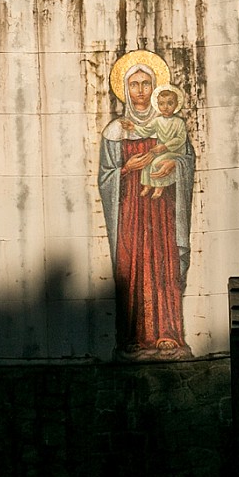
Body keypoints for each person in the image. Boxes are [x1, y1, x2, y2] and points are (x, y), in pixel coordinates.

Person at [98, 51, 191, 353]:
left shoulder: (171, 125)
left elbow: (185, 157)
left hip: (163, 209)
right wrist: (127, 168)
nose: (140, 91)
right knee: (133, 268)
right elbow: (106, 176)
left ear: (156, 89)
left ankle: (169, 332)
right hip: (130, 211)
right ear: (125, 89)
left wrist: (175, 164)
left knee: (165, 265)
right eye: (134, 84)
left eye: (146, 84)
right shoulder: (114, 131)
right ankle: (134, 337)